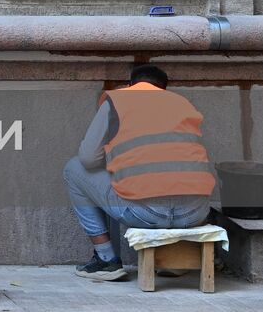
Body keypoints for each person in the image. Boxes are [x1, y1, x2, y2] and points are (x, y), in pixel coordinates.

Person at [64, 64, 214, 282]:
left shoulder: (119, 100)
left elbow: (88, 158)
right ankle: (173, 261)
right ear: (163, 89)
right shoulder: (182, 104)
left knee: (74, 168)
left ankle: (106, 260)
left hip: (145, 214)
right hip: (195, 214)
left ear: (130, 85)